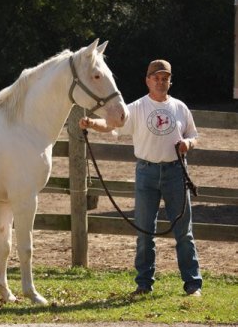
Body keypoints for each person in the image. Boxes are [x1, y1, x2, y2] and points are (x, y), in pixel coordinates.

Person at [79, 59, 202, 296]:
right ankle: (144, 284)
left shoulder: (180, 108)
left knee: (184, 232)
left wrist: (188, 143)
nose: (160, 81)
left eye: (165, 78)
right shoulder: (136, 108)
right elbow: (113, 124)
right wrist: (92, 123)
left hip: (175, 172)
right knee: (145, 232)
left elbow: (193, 134)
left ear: (170, 81)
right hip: (146, 173)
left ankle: (192, 283)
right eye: (156, 77)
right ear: (147, 80)